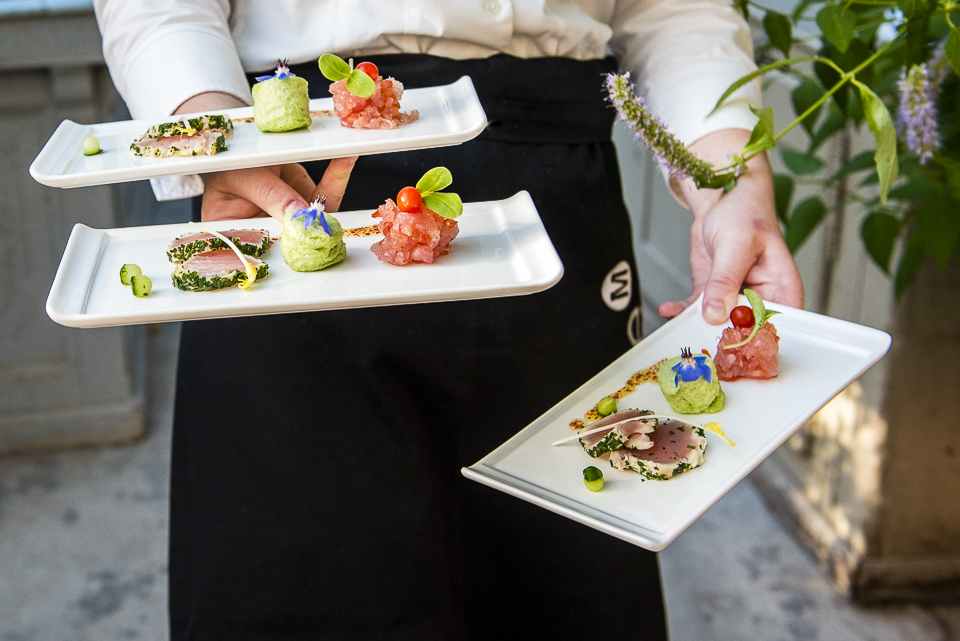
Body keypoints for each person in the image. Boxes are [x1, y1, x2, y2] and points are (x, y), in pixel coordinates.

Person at [94, 2, 804, 639]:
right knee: (302, 581)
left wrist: (730, 183)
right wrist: (222, 140)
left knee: (563, 585)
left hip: (555, 201)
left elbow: (678, 11)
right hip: (291, 186)